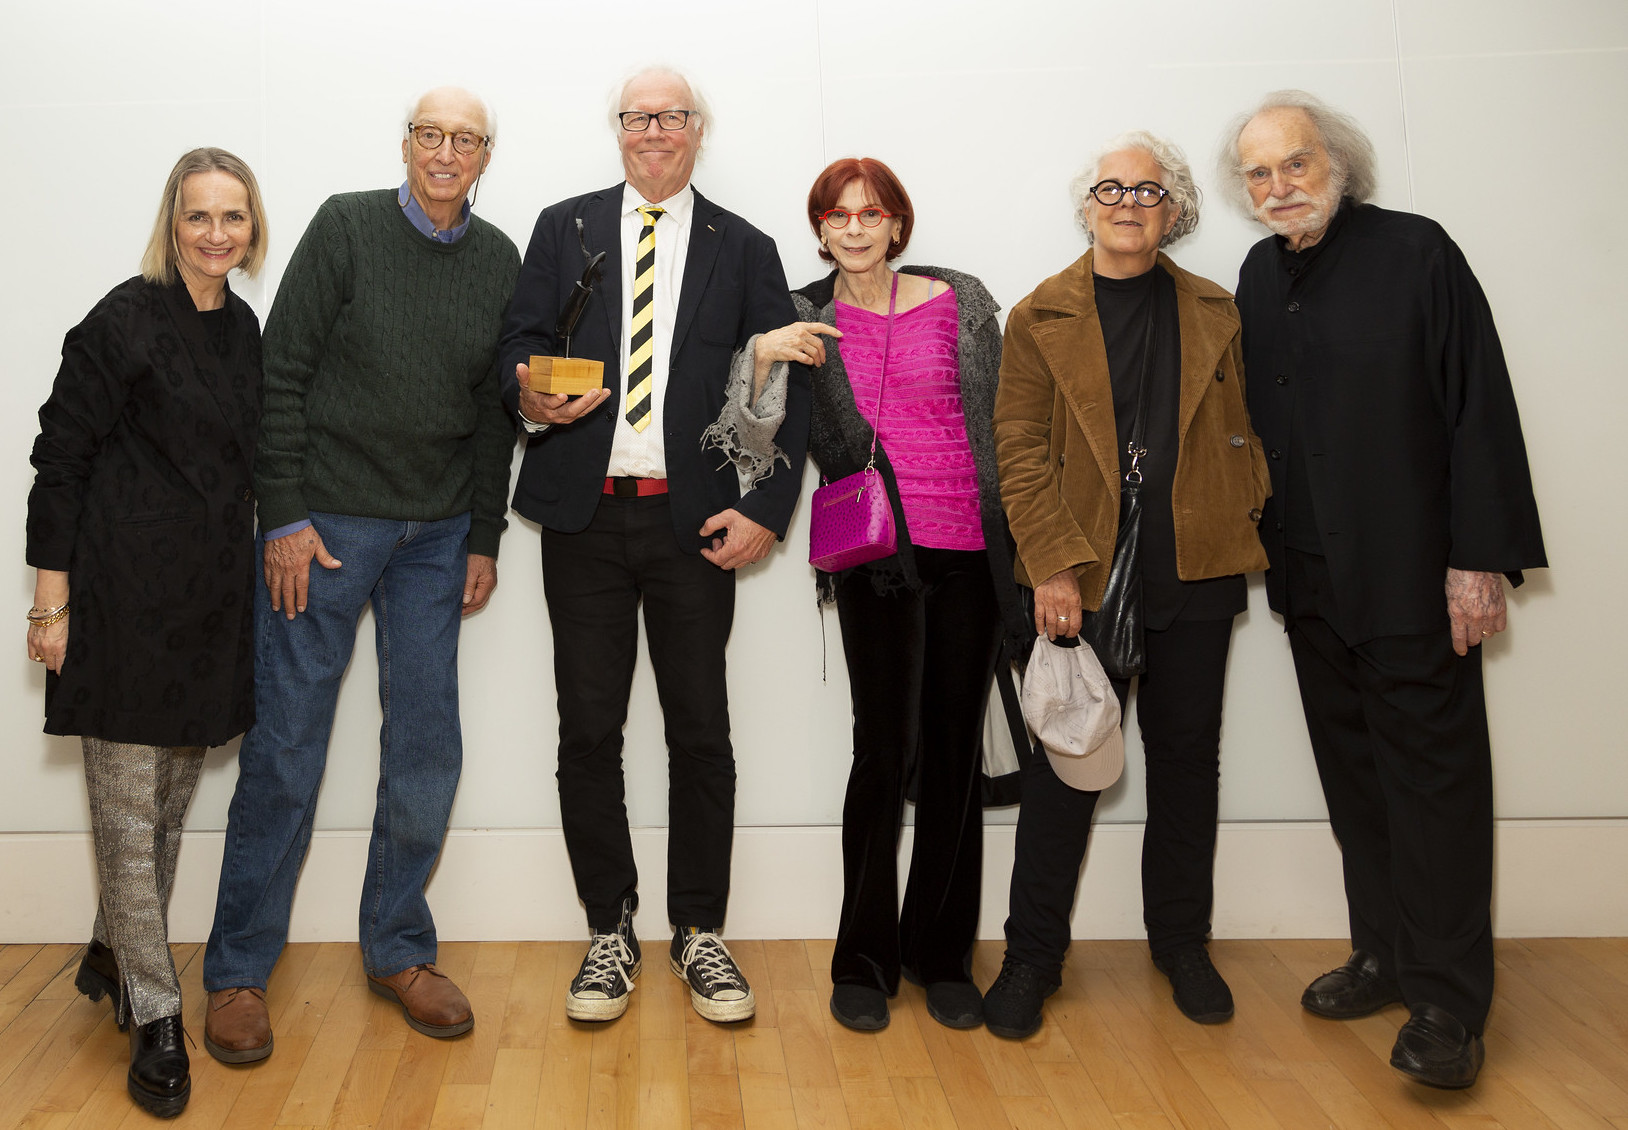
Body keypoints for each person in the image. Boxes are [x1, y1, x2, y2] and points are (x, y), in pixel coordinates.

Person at [1220, 90, 1545, 1089]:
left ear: (1337, 164)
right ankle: (1382, 954)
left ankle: (1446, 1001)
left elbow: (1475, 404)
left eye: (1293, 165)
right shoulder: (1254, 271)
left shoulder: (1415, 252)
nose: (1277, 187)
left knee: (1433, 789)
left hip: (1413, 575)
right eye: (1257, 173)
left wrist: (1475, 558)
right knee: (1354, 780)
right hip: (1308, 579)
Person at [497, 65, 826, 1025]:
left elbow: (790, 382)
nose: (655, 131)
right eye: (639, 116)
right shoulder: (565, 227)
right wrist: (527, 390)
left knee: (700, 731)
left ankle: (698, 932)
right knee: (588, 729)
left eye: (672, 116)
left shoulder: (745, 245)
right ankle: (609, 930)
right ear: (618, 130)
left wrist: (765, 508)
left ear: (697, 131)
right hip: (584, 517)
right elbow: (516, 339)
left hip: (698, 526)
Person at [202, 86, 519, 1062]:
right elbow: (281, 371)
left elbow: (491, 411)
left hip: (434, 536)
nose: (444, 152)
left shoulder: (499, 259)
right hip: (326, 523)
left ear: (483, 156)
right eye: (430, 134)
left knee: (427, 746)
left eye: (464, 140)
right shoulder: (343, 227)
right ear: (406, 143)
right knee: (289, 747)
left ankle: (396, 947)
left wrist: (482, 536)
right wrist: (284, 513)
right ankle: (239, 970)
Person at [733, 157, 1030, 1032]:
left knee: (951, 757)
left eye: (872, 213)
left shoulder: (962, 299)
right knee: (881, 752)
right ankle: (863, 959)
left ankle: (943, 955)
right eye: (837, 215)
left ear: (898, 225)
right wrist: (757, 361)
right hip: (873, 558)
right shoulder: (800, 316)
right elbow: (753, 443)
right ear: (820, 230)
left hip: (972, 552)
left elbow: (1006, 421)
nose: (854, 228)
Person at [985, 132, 1270, 1039]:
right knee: (1068, 767)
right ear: (1087, 206)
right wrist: (1053, 568)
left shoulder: (1218, 309)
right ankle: (1032, 959)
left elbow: (1252, 433)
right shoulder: (1039, 316)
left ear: (1175, 212)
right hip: (1085, 573)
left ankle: (1181, 945)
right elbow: (1019, 455)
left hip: (1196, 566)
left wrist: (1247, 498)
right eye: (1111, 188)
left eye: (1149, 191)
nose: (1127, 203)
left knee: (1188, 767)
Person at [26, 147, 268, 1117]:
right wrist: (53, 602)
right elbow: (59, 462)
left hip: (208, 605)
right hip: (120, 605)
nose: (216, 233)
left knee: (165, 810)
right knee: (127, 820)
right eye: (199, 215)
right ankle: (157, 1011)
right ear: (172, 222)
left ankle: (108, 949)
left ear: (254, 228)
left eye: (234, 217)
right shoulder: (120, 319)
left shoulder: (245, 330)